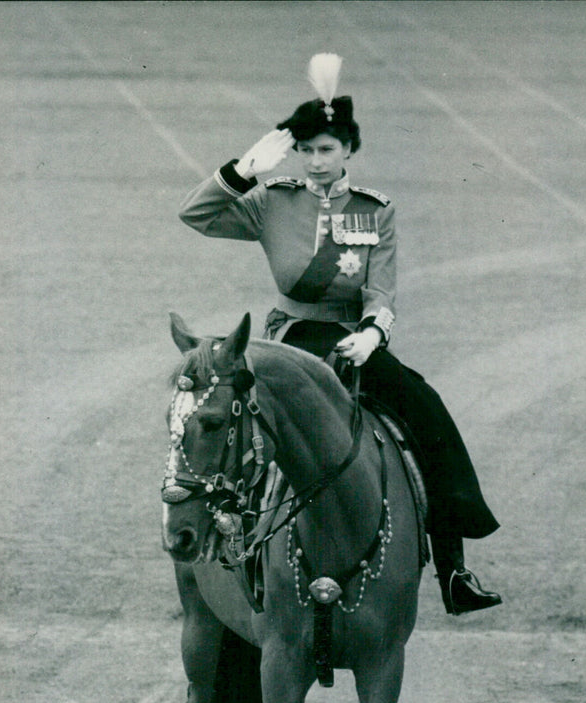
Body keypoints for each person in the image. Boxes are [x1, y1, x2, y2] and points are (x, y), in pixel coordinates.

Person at [179, 54, 502, 615]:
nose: (314, 160)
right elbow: (197, 215)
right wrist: (243, 170)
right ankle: (243, 555)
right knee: (256, 428)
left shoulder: (375, 211)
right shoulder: (272, 201)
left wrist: (374, 334)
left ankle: (452, 568)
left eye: (325, 149)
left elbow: (381, 289)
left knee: (426, 411)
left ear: (349, 149)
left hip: (355, 339)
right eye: (305, 150)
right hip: (292, 341)